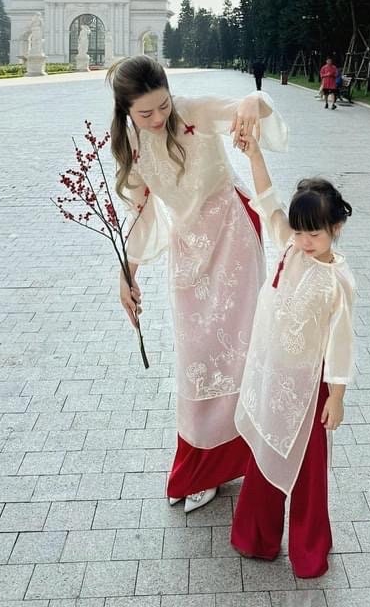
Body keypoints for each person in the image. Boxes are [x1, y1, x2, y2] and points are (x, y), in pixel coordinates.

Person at [107, 56, 288, 513]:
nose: (158, 119)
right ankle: (203, 461)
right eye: (144, 113)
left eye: (162, 106)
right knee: (198, 357)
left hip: (233, 236)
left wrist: (250, 100)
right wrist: (127, 272)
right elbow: (143, 212)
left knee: (238, 349)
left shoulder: (192, 111)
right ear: (125, 110)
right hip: (188, 251)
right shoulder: (130, 143)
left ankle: (228, 463)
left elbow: (259, 105)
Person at [230, 133, 355, 578]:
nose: (304, 240)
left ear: (335, 228)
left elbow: (342, 341)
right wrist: (254, 153)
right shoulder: (288, 246)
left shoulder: (338, 279)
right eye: (299, 231)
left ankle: (309, 549)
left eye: (314, 233)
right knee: (265, 448)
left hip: (310, 384)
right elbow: (267, 199)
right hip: (273, 372)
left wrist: (336, 395)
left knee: (307, 467)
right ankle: (255, 537)